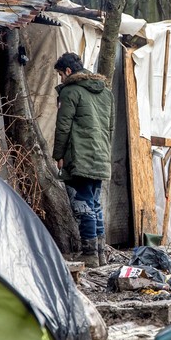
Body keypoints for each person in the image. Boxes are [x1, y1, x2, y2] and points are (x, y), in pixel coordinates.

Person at [52, 52, 114, 268]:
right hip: (100, 157)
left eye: (61, 74)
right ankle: (100, 255)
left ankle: (89, 255)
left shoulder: (70, 91)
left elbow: (63, 126)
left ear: (68, 71)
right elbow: (110, 128)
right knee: (95, 204)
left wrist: (58, 155)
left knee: (82, 204)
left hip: (78, 158)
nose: (61, 79)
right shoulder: (106, 93)